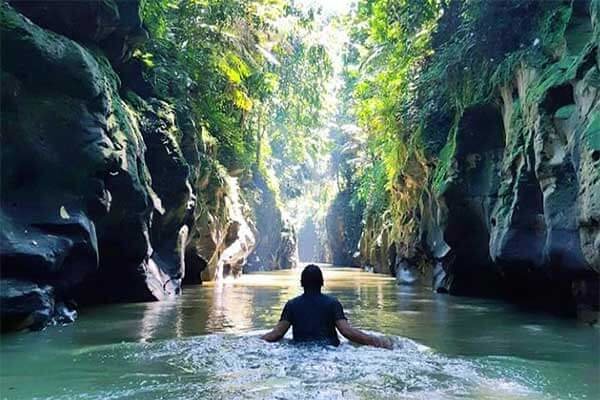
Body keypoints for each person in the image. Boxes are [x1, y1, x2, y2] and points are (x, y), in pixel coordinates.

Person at [261, 264, 393, 349]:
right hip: (328, 350)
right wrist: (378, 342)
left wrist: (256, 341)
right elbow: (347, 332)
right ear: (322, 283)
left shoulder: (291, 305)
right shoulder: (332, 303)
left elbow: (277, 333)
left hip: (300, 351)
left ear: (301, 283)